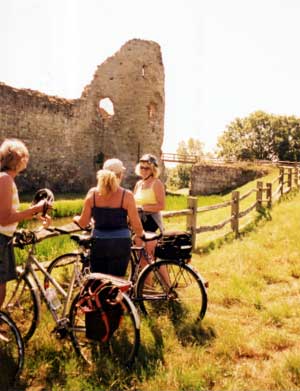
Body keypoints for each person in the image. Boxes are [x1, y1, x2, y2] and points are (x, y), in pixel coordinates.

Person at [0, 138, 51, 308]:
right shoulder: (5, 179)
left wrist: (34, 214)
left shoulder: (6, 178)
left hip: (4, 237)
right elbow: (5, 218)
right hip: (0, 238)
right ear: (19, 159)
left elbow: (10, 214)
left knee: (2, 286)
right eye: (25, 156)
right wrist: (35, 208)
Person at [73, 158, 145, 276]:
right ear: (120, 175)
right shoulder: (126, 195)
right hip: (120, 244)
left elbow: (83, 223)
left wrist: (75, 218)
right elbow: (136, 226)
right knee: (116, 282)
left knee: (99, 284)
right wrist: (142, 235)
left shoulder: (93, 193)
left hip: (99, 243)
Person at [134, 153, 165, 261]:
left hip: (151, 221)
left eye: (147, 168)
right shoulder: (138, 184)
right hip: (138, 220)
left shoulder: (157, 183)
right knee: (142, 254)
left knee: (148, 256)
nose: (144, 170)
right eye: (142, 167)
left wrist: (142, 208)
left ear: (153, 170)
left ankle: (147, 276)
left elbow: (161, 205)